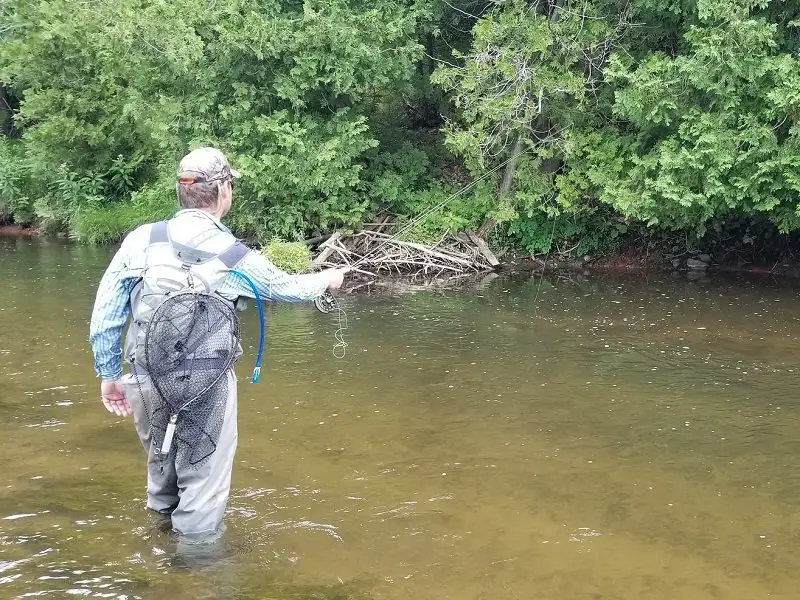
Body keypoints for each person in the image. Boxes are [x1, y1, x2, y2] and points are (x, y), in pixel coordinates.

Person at [89, 147, 346, 542]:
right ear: (223, 191)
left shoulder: (141, 239)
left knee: (162, 470)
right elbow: (286, 289)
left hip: (144, 377)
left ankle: (156, 553)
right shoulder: (234, 255)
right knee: (202, 485)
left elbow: (106, 313)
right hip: (206, 386)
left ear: (181, 192)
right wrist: (327, 279)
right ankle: (198, 572)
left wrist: (108, 375)